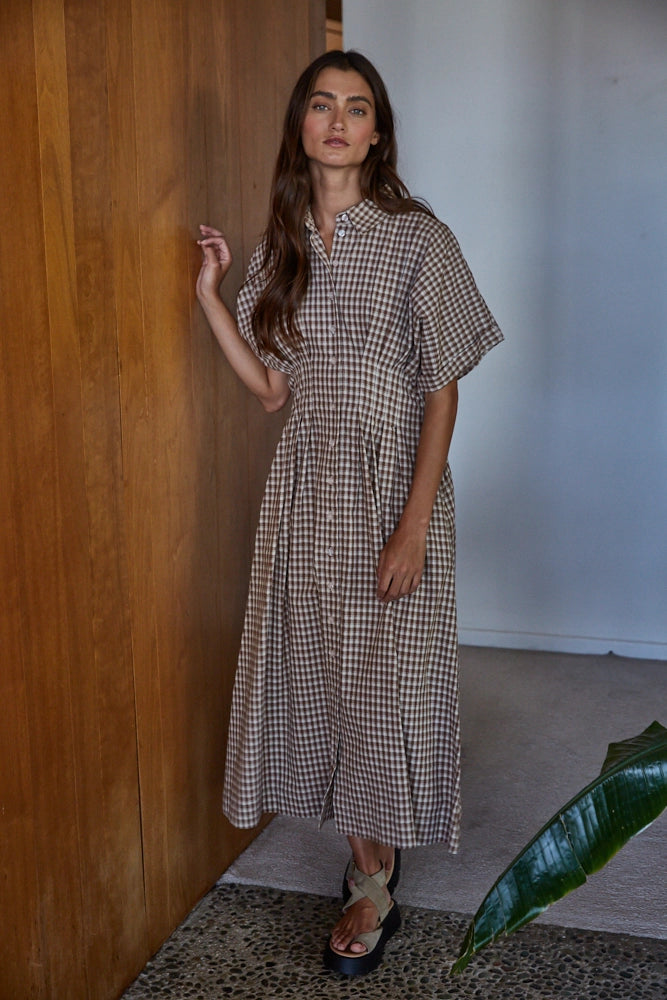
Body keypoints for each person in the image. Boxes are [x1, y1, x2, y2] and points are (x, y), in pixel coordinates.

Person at [196, 49, 503, 976]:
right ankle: (366, 858)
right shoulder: (281, 242)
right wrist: (210, 299)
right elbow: (268, 391)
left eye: (356, 107)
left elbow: (443, 389)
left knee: (389, 682)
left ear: (377, 131)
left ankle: (373, 883)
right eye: (321, 104)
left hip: (392, 489)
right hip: (305, 492)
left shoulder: (419, 236)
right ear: (301, 124)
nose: (337, 120)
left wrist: (411, 525)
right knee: (326, 676)